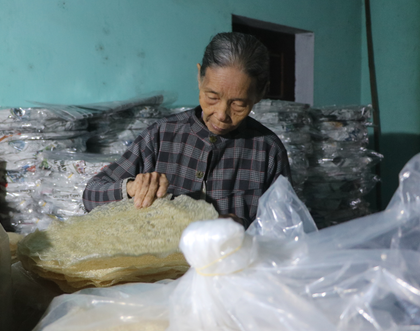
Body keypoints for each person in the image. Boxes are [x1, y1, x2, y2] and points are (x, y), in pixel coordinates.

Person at [82, 32, 291, 228]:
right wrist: (131, 188)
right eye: (212, 97)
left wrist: (242, 230)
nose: (221, 114)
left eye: (238, 104)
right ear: (199, 78)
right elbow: (91, 195)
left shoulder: (268, 151)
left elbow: (285, 229)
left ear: (260, 93)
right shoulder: (161, 135)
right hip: (161, 266)